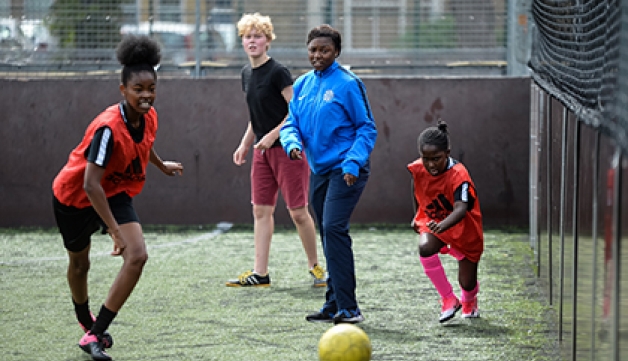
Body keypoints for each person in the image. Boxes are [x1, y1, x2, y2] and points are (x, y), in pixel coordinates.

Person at [52, 35, 183, 361]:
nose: (146, 95)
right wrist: (112, 230)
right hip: (75, 197)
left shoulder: (149, 115)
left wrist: (160, 164)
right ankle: (85, 320)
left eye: (151, 88)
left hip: (116, 191)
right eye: (138, 89)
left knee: (137, 255)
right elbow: (90, 184)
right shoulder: (108, 128)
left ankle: (94, 335)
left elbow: (145, 142)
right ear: (122, 90)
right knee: (80, 264)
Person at [280, 24, 378, 324]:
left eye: (324, 50)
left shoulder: (348, 84)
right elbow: (290, 123)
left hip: (347, 170)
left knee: (334, 229)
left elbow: (366, 128)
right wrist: (292, 143)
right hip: (319, 170)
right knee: (328, 234)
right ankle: (333, 304)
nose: (317, 55)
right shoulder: (303, 85)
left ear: (336, 52)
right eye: (313, 50)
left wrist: (353, 162)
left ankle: (349, 308)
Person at [226, 12, 326, 288]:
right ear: (242, 42)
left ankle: (316, 268)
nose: (252, 41)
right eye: (248, 36)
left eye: (258, 36)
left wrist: (272, 136)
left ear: (268, 41)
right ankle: (261, 273)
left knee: (297, 212)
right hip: (262, 153)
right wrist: (246, 144)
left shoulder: (278, 72)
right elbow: (256, 115)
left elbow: (297, 112)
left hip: (288, 150)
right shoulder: (246, 73)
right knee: (260, 211)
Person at [408, 120, 483, 323]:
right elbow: (418, 190)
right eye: (426, 159)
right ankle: (449, 299)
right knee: (425, 247)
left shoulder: (460, 175)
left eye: (436, 159)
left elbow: (461, 208)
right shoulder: (418, 169)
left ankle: (469, 301)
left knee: (467, 282)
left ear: (448, 153)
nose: (431, 164)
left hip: (464, 229)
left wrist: (441, 226)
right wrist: (417, 215)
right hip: (435, 222)